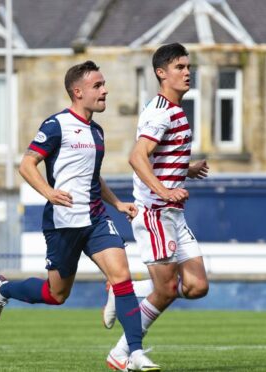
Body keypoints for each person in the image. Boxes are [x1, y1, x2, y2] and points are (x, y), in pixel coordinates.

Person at [0, 60, 160, 372]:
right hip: (63, 222)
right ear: (78, 92)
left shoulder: (97, 131)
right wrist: (49, 193)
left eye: (104, 84)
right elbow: (27, 165)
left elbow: (92, 177)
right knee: (56, 294)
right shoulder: (55, 125)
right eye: (98, 86)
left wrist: (117, 204)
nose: (105, 90)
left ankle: (133, 353)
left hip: (95, 218)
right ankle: (3, 289)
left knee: (121, 277)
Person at [103, 43, 210, 369]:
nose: (187, 72)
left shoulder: (174, 110)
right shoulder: (162, 111)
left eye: (188, 66)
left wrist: (185, 169)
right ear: (161, 73)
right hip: (155, 213)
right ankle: (121, 353)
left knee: (196, 286)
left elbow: (159, 156)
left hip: (173, 213)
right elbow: (137, 156)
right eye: (179, 67)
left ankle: (126, 288)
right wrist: (165, 190)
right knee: (166, 290)